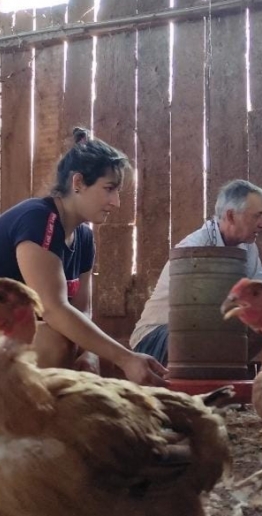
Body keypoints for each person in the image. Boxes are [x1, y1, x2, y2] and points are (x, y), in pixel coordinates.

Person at [0, 127, 167, 386]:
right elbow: (54, 310)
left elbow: (81, 310)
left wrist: (90, 354)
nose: (116, 202)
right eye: (109, 189)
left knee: (93, 352)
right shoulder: (37, 219)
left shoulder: (85, 239)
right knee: (59, 343)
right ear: (78, 183)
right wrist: (126, 359)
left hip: (12, 335)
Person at [131, 179, 262, 365]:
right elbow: (198, 316)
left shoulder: (248, 248)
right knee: (201, 335)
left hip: (204, 336)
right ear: (230, 216)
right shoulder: (194, 248)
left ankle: (227, 376)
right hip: (156, 336)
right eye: (257, 216)